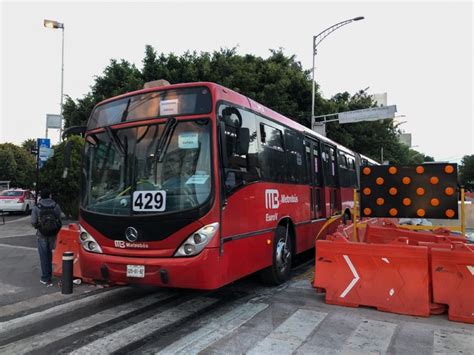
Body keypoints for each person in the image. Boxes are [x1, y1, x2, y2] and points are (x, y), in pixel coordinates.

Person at [31, 188, 62, 286]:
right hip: (53, 233)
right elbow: (59, 220)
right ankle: (50, 274)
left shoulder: (37, 206)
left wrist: (39, 226)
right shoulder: (55, 206)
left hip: (42, 234)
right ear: (49, 195)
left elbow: (33, 221)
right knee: (50, 254)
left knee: (44, 255)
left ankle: (45, 277)